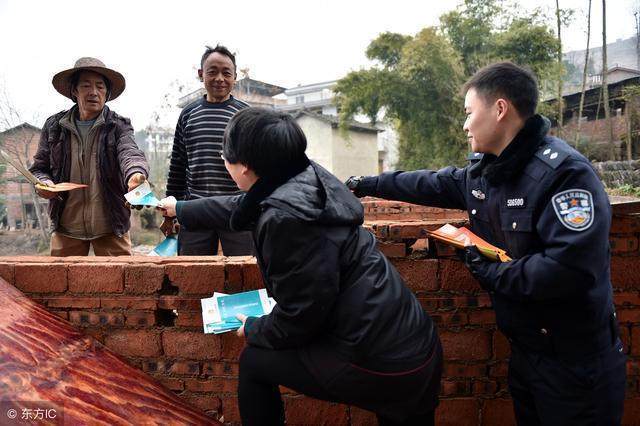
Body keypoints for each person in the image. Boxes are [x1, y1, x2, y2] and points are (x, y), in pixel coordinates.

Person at [346, 61, 626, 425]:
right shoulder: (489, 170)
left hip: (577, 364)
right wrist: (366, 184)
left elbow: (569, 269)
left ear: (499, 109)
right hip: (527, 353)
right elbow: (432, 183)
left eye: (468, 112)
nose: (464, 125)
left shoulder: (564, 175)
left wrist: (494, 274)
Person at [159, 107, 442, 425]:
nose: (224, 162)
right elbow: (244, 206)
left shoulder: (285, 219)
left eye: (226, 156)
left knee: (255, 361)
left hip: (377, 361)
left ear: (245, 166)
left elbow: (303, 313)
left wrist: (255, 328)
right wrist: (180, 208)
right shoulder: (302, 176)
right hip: (412, 343)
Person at [30, 57, 149, 256]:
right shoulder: (54, 127)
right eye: (86, 85)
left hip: (111, 226)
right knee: (62, 283)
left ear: (107, 93)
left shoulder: (118, 125)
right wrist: (44, 183)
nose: (93, 92)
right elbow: (39, 168)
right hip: (66, 227)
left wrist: (136, 174)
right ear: (74, 90)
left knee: (120, 283)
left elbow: (130, 153)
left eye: (100, 86)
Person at [162, 45, 252, 256]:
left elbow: (256, 165)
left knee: (244, 272)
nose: (219, 78)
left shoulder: (245, 115)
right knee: (192, 275)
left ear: (235, 77)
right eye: (212, 72)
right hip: (195, 209)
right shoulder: (188, 114)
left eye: (226, 73)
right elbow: (178, 164)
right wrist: (170, 210)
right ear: (201, 74)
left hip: (236, 208)